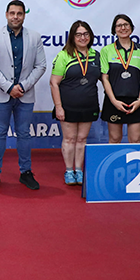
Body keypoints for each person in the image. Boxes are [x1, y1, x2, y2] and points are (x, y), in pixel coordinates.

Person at [0, 0, 46, 190]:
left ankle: (25, 172)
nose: (15, 17)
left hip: (25, 95)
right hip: (2, 94)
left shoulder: (34, 37)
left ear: (24, 15)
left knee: (24, 134)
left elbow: (41, 65)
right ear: (6, 14)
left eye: (19, 13)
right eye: (12, 13)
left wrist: (23, 87)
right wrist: (9, 87)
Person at [49, 20, 101, 186]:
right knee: (70, 139)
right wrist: (58, 106)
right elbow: (54, 83)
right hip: (68, 105)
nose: (82, 37)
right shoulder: (64, 55)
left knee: (82, 139)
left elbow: (105, 79)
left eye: (86, 34)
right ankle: (69, 170)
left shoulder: (97, 55)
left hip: (89, 104)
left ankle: (79, 170)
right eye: (78, 34)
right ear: (72, 37)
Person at [100, 14, 140, 144]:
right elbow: (104, 78)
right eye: (119, 25)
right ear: (114, 30)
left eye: (126, 25)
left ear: (131, 28)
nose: (123, 28)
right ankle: (113, 165)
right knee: (115, 139)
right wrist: (114, 101)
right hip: (114, 101)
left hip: (135, 101)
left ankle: (135, 165)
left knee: (135, 140)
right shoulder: (106, 50)